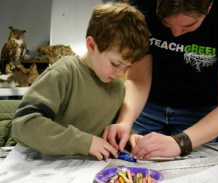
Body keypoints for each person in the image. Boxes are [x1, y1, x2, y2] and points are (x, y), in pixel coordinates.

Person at [103, 0, 218, 159]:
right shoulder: (142, 7)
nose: (176, 33)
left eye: (188, 26)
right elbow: (138, 79)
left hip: (202, 114)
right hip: (148, 105)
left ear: (209, 7)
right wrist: (124, 121)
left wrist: (181, 142)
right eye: (166, 23)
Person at [11, 2, 150, 161]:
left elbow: (106, 134)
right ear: (91, 45)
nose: (120, 73)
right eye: (115, 64)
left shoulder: (118, 87)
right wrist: (84, 142)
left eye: (128, 67)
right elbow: (24, 125)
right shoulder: (64, 73)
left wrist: (129, 139)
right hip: (43, 167)